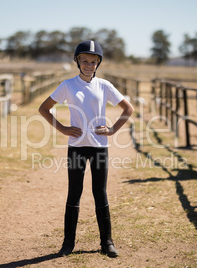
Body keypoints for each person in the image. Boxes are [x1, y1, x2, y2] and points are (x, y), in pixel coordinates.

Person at [39, 40, 134, 258]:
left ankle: (107, 242)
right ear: (77, 61)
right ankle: (68, 243)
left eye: (93, 61)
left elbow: (128, 108)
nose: (89, 65)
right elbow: (44, 108)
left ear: (98, 63)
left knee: (100, 193)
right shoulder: (67, 85)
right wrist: (62, 128)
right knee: (75, 192)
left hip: (99, 147)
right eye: (85, 61)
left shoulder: (104, 86)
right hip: (77, 148)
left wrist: (112, 130)